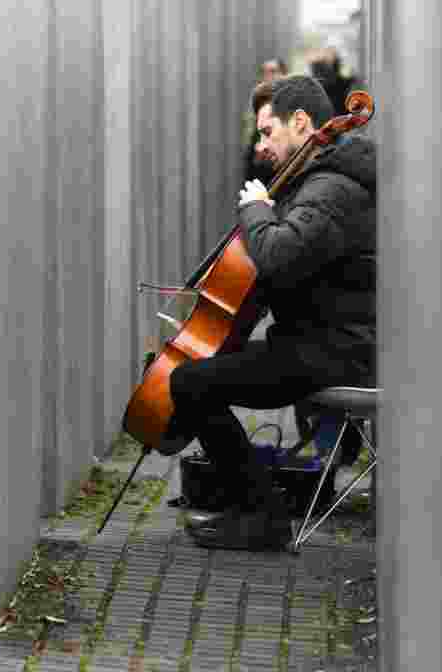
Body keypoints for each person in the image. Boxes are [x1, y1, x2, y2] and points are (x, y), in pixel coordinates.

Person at [160, 75, 377, 550]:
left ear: (300, 123)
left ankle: (260, 513)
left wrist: (257, 209)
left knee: (190, 383)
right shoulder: (320, 182)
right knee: (199, 377)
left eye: (267, 132)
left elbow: (279, 254)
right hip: (319, 342)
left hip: (333, 351)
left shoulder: (331, 188)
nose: (262, 147)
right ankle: (255, 506)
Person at [242, 58, 288, 185]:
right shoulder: (256, 103)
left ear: (284, 74)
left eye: (273, 71)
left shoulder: (290, 102)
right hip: (258, 166)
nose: (268, 76)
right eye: (265, 72)